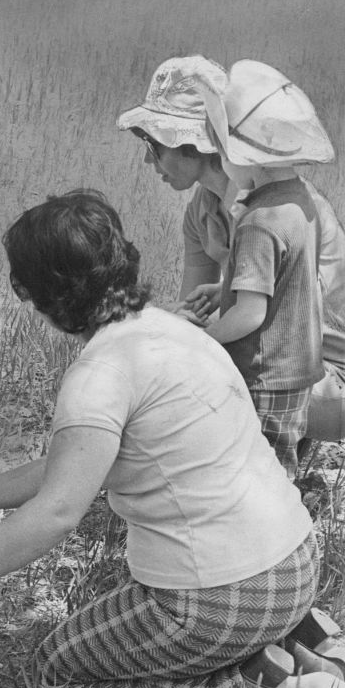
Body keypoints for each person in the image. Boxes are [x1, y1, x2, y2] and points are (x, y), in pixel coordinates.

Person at [0, 191, 318, 688]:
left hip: (217, 597)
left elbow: (58, 512)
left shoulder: (99, 375)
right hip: (294, 564)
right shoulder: (173, 330)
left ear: (40, 293)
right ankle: (256, 665)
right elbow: (79, 466)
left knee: (60, 673)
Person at [118, 55, 345, 449]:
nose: (146, 160)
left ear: (191, 145)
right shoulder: (202, 212)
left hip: (318, 376)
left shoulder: (278, 212)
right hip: (278, 367)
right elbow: (194, 313)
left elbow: (274, 319)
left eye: (153, 146)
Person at [198, 59, 335, 474]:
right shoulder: (300, 201)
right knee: (281, 465)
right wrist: (227, 287)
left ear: (247, 158)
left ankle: (281, 532)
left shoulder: (259, 220)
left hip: (263, 376)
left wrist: (203, 340)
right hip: (296, 373)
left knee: (260, 473)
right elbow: (290, 280)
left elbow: (251, 313)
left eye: (221, 152)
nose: (220, 162)